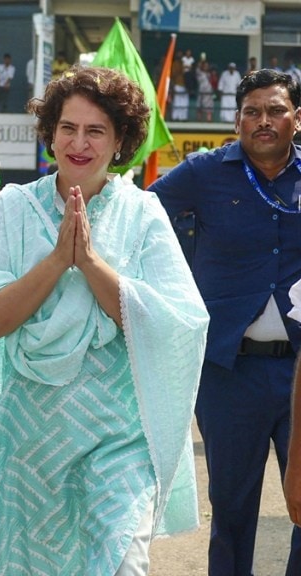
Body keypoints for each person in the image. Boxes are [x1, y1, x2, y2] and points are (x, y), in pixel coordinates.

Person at [0, 64, 209, 574]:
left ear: (120, 141)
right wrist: (56, 262)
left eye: (96, 130)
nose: (80, 143)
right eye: (68, 128)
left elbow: (177, 325)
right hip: (25, 440)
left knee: (122, 563)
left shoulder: (144, 214)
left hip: (117, 435)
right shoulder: (13, 209)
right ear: (50, 135)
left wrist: (91, 264)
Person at [153, 68, 301, 576]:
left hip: (300, 375)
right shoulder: (203, 173)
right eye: (253, 111)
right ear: (238, 120)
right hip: (227, 374)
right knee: (233, 512)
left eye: (276, 110)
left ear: (296, 119)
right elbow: (142, 215)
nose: (264, 121)